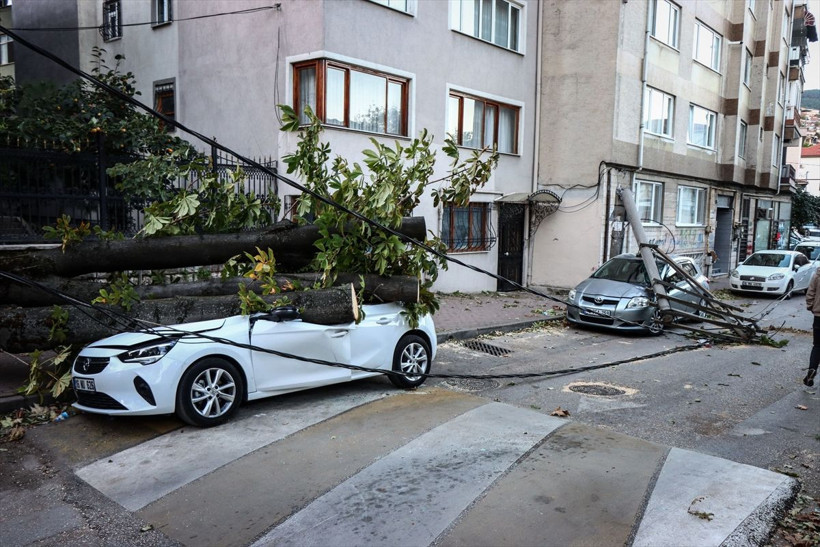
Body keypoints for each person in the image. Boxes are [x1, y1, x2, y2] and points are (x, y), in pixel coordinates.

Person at [804, 270, 820, 386]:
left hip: (819, 316)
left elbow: (811, 292)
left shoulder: (818, 274)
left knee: (817, 345)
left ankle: (812, 369)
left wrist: (811, 306)